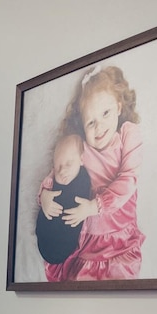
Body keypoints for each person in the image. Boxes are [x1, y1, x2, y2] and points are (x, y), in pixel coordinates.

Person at [39, 64, 145, 281]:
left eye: (105, 113)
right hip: (88, 241)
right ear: (82, 125)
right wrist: (44, 195)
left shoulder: (128, 135)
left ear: (117, 106)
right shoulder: (81, 148)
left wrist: (95, 206)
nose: (99, 127)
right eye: (91, 122)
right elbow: (60, 171)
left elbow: (129, 178)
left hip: (120, 240)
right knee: (80, 288)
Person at [35, 134, 92, 264]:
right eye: (58, 166)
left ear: (81, 159)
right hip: (46, 234)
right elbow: (44, 187)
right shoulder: (53, 179)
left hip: (68, 241)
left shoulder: (86, 178)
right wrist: (44, 198)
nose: (62, 171)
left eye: (68, 163)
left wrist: (87, 210)